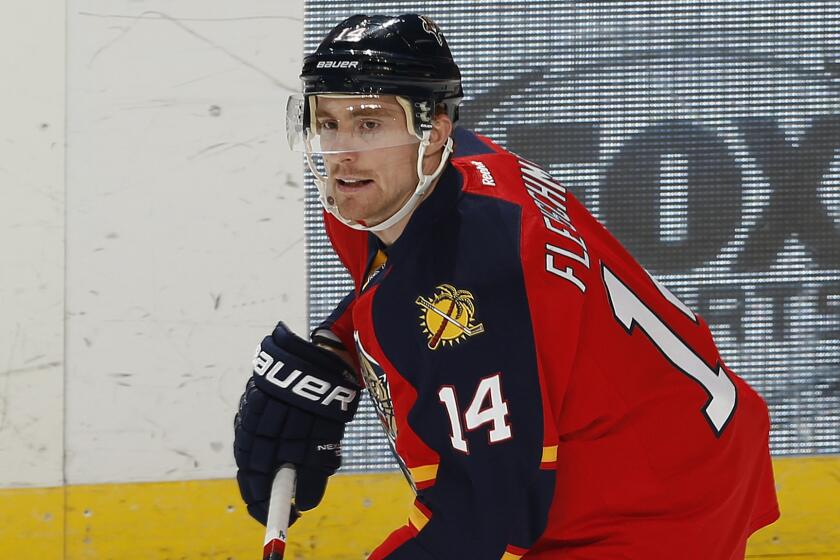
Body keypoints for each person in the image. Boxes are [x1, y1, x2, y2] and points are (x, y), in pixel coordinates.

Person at [233, 13, 780, 559]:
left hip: (654, 512)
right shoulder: (433, 174)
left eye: (369, 123)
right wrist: (337, 343)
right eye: (327, 123)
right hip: (682, 434)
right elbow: (401, 273)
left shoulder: (473, 288)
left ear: (434, 134)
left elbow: (483, 522)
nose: (340, 152)